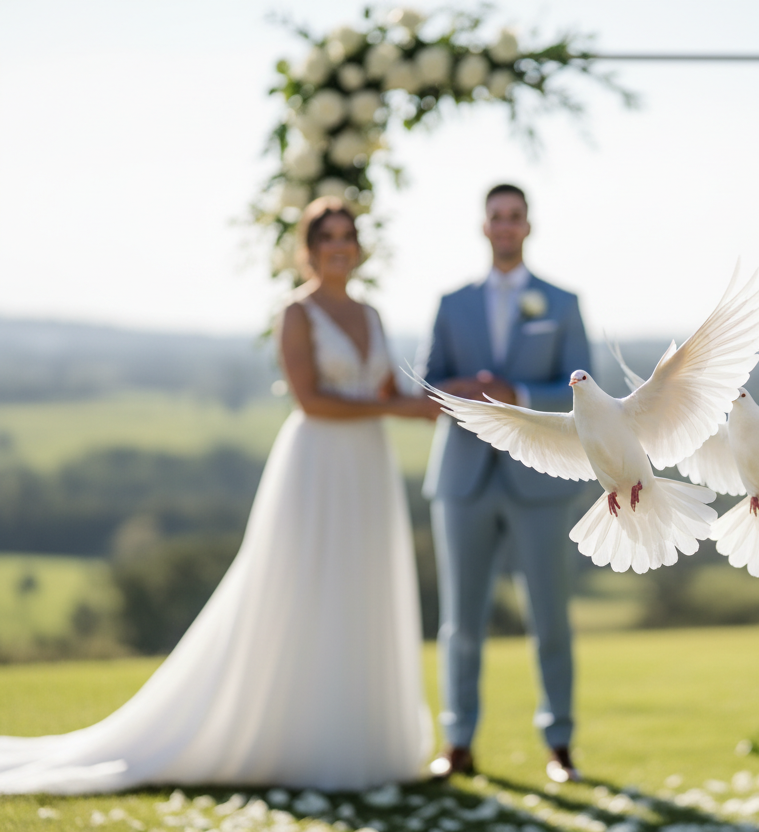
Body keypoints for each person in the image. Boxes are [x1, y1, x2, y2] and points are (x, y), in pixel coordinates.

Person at [0, 197, 440, 794]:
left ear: (359, 246)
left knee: (360, 586)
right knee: (306, 587)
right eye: (327, 236)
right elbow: (312, 400)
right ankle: (298, 739)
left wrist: (449, 398)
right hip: (317, 463)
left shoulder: (374, 314)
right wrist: (398, 408)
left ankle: (358, 740)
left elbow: (388, 386)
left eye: (348, 235)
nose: (340, 245)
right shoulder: (297, 313)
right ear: (308, 250)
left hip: (368, 466)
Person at [423, 184, 590, 783]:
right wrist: (462, 388)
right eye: (496, 217)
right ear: (483, 225)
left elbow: (583, 389)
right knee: (460, 622)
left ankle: (560, 743)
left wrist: (518, 395)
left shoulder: (562, 302)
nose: (505, 226)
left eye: (514, 217)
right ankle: (459, 740)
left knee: (550, 618)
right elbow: (429, 382)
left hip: (539, 482)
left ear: (528, 225)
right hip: (462, 479)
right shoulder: (451, 303)